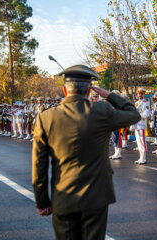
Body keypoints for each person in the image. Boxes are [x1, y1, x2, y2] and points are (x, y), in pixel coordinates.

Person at [32, 64, 140, 240]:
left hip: (63, 196)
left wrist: (42, 201)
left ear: (64, 90)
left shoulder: (46, 117)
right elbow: (133, 114)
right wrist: (110, 95)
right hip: (96, 197)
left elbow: (39, 165)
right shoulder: (102, 111)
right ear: (90, 91)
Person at [132, 88, 150, 164]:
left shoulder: (146, 103)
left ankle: (144, 158)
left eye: (142, 94)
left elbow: (146, 114)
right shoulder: (136, 103)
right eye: (139, 94)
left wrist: (137, 114)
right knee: (138, 142)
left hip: (142, 124)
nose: (140, 95)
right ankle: (140, 157)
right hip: (137, 124)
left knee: (142, 142)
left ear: (144, 94)